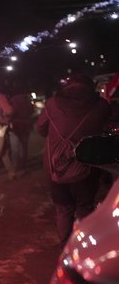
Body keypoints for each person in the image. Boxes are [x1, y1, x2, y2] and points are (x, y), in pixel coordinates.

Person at [36, 74, 110, 244]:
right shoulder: (100, 106)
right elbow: (107, 125)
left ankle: (65, 247)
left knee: (63, 209)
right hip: (87, 165)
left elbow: (41, 129)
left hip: (56, 166)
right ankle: (83, 248)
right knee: (84, 207)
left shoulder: (52, 104)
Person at [8, 92, 34, 172]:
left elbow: (10, 112)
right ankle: (23, 164)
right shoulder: (27, 100)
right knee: (24, 146)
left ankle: (15, 166)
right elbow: (32, 111)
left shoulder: (12, 100)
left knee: (15, 147)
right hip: (26, 125)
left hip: (15, 126)